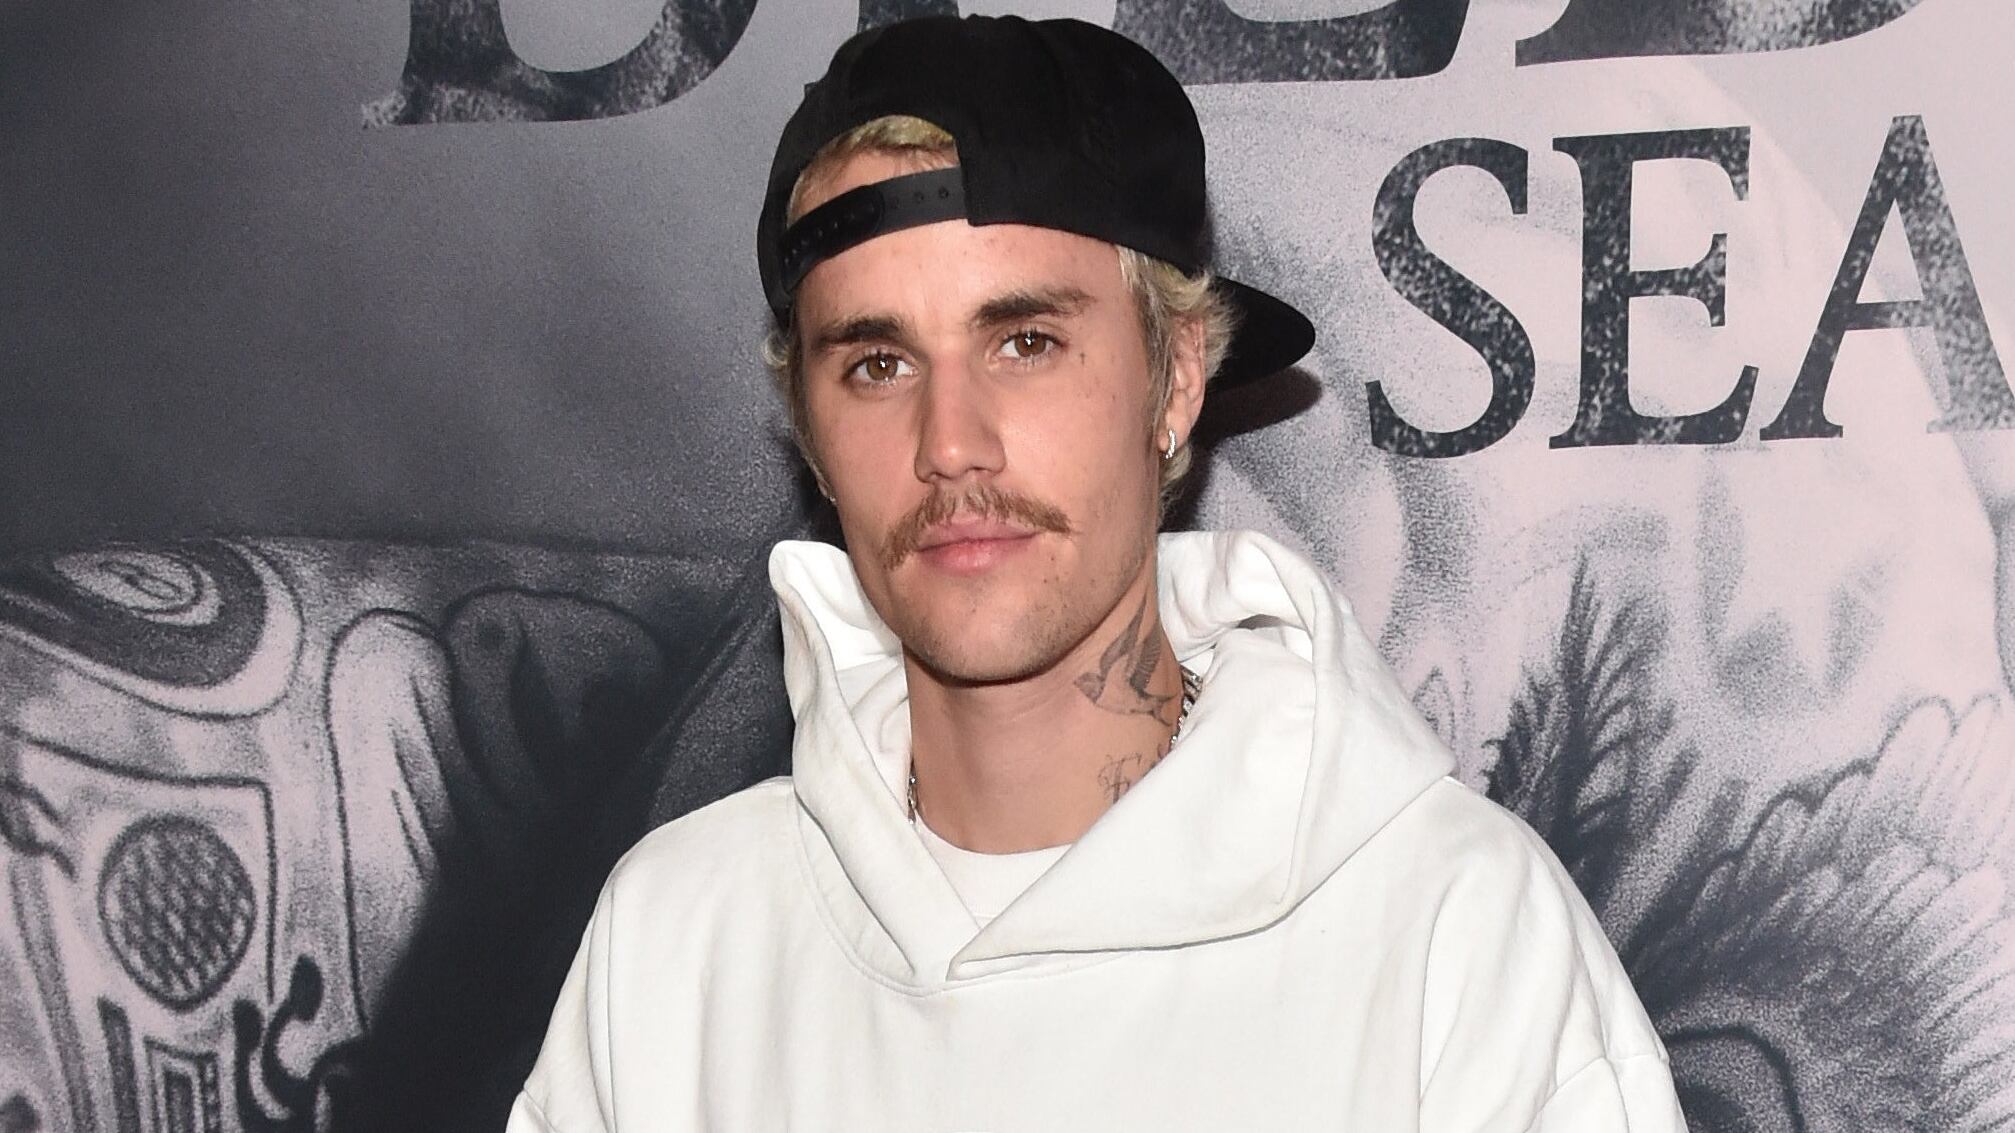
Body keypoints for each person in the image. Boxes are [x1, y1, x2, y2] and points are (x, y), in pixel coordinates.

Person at [508, 14, 1685, 1130]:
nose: (948, 441)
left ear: (1175, 380)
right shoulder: (676, 945)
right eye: (876, 363)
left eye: (1023, 342)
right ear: (809, 430)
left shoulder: (1455, 937)